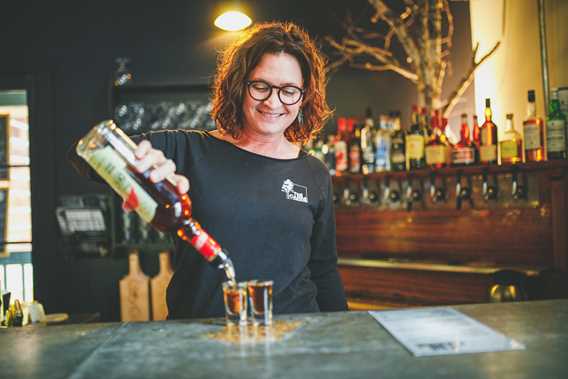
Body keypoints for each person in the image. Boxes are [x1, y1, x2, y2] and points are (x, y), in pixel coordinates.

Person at [74, 21, 347, 319]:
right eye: (260, 86)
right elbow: (84, 156)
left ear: (304, 96)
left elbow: (324, 270)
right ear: (239, 85)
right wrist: (135, 163)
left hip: (295, 339)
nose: (273, 101)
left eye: (289, 90)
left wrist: (342, 340)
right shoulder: (185, 150)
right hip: (199, 339)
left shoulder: (314, 173)